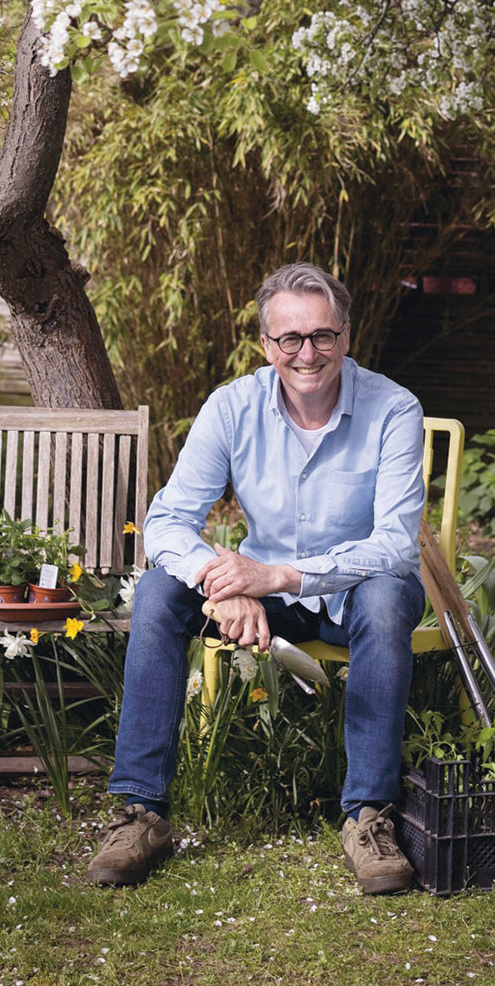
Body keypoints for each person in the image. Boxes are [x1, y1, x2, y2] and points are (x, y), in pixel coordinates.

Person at [88, 262, 427, 893]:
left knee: (385, 599)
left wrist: (274, 576)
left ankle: (369, 817)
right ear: (265, 345)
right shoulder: (232, 407)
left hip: (354, 590)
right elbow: (165, 524)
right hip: (261, 592)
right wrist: (226, 584)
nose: (307, 353)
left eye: (322, 335)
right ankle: (143, 812)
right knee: (160, 591)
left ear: (346, 336)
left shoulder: (393, 409)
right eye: (289, 339)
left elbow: (394, 547)